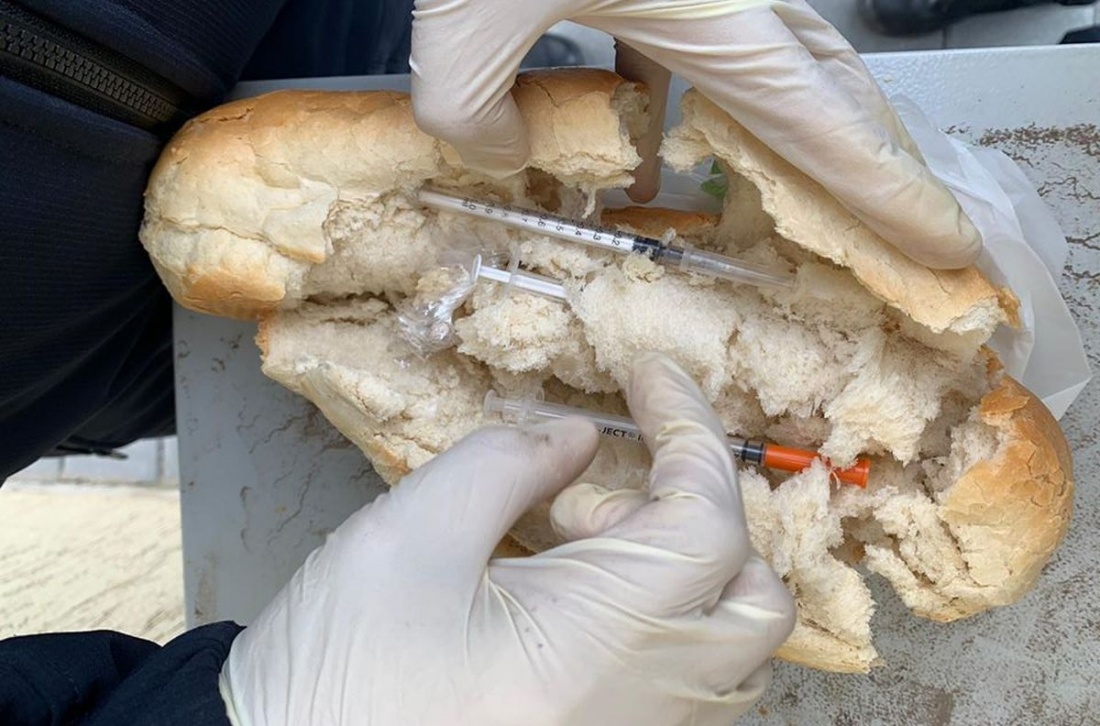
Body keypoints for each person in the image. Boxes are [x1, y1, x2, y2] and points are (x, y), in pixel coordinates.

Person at [0, 1, 982, 723]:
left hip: (277, 49)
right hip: (91, 352)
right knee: (208, 358)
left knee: (429, 77)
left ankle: (517, 60)